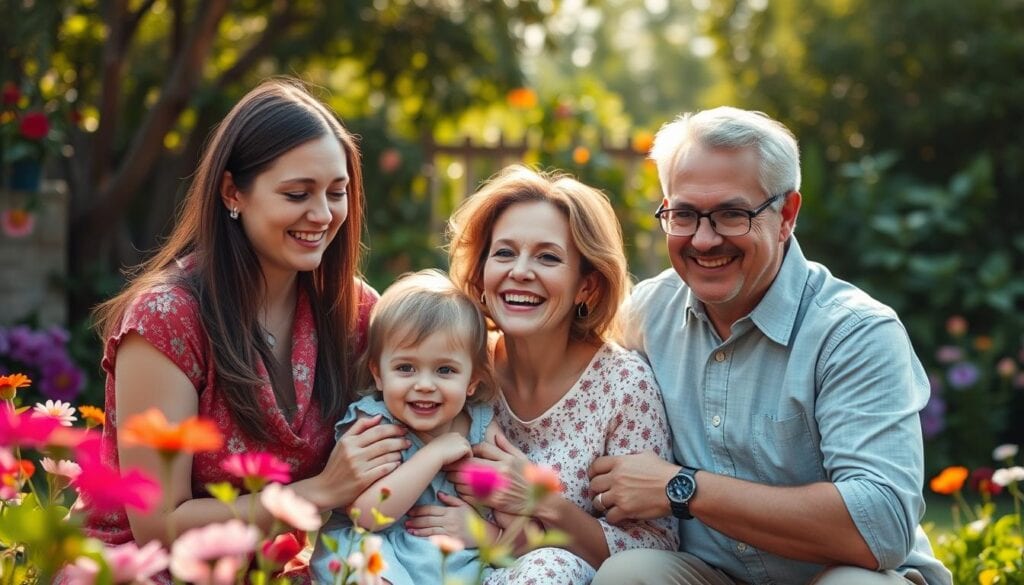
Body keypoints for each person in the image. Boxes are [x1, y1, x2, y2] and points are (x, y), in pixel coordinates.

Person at [587, 107, 952, 585]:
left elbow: (880, 526)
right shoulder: (645, 314)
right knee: (629, 574)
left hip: (842, 574)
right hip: (711, 575)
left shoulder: (856, 333)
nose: (704, 239)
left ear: (786, 215)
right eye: (684, 214)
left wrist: (683, 489)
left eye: (732, 214)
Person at [82, 79, 408, 583]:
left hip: (277, 570)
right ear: (233, 192)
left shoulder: (355, 310)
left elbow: (435, 388)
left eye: (337, 193)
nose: (322, 215)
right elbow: (158, 526)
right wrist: (319, 492)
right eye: (297, 194)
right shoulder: (167, 318)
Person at [445, 165, 679, 584]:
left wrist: (543, 501)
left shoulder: (624, 388)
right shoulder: (458, 366)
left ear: (586, 287)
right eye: (504, 253)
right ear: (480, 274)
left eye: (548, 257)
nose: (520, 271)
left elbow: (652, 551)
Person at [310, 269, 500, 585]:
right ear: (379, 374)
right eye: (406, 368)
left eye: (445, 370)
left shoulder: (480, 424)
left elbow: (506, 492)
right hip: (376, 547)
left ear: (472, 381)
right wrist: (433, 455)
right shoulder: (374, 425)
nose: (424, 385)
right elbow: (367, 517)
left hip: (445, 556)